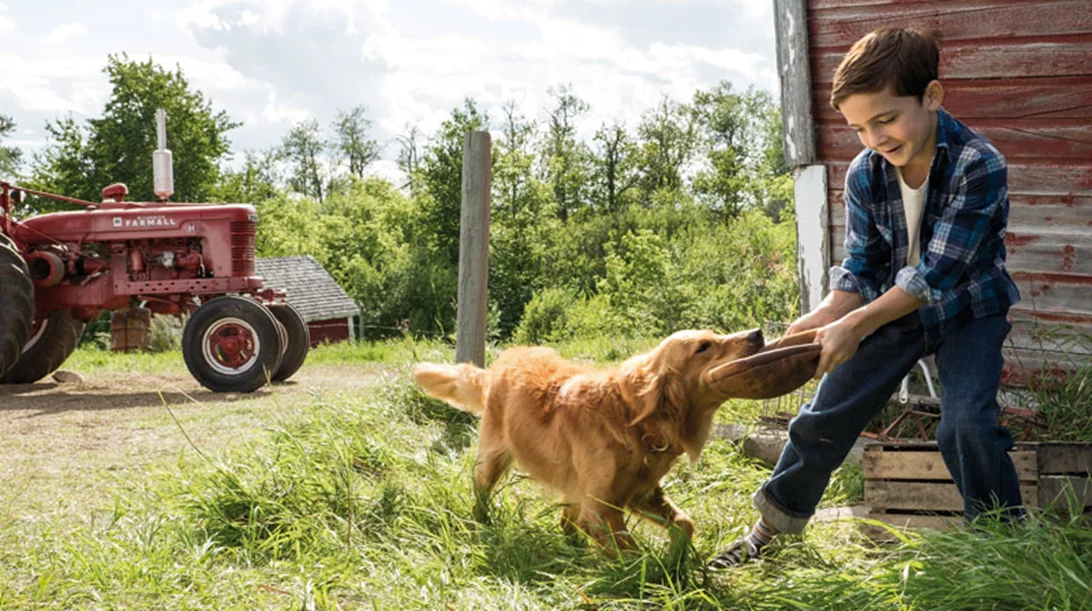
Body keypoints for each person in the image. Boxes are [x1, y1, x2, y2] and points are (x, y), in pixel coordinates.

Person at [709, 27, 1023, 568]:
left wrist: (854, 326)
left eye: (885, 119)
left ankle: (1004, 547)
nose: (874, 138)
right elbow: (860, 270)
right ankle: (769, 534)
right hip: (892, 310)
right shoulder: (864, 173)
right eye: (858, 127)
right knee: (822, 417)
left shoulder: (979, 163)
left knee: (967, 426)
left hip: (969, 308)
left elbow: (935, 276)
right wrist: (818, 322)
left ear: (931, 96)